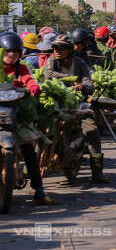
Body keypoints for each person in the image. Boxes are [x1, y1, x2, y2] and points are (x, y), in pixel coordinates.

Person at [0, 32, 56, 205]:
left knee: (29, 151)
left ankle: (39, 190)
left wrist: (33, 87)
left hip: (16, 115)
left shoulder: (21, 68)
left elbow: (29, 79)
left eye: (16, 53)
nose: (12, 56)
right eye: (8, 52)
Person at [44, 35, 110, 184]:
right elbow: (48, 76)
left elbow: (89, 84)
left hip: (78, 105)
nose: (57, 51)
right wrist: (72, 80)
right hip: (56, 105)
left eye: (61, 48)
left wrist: (82, 86)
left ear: (69, 50)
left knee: (92, 133)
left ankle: (97, 172)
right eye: (55, 48)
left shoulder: (80, 63)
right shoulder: (51, 61)